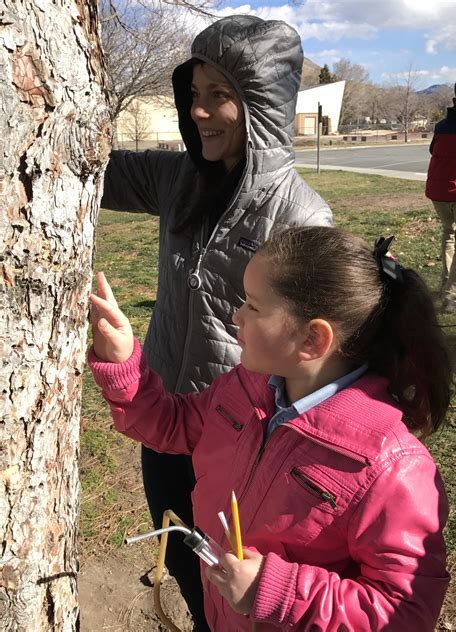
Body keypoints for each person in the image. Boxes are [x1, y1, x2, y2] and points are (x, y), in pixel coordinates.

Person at [88, 226, 452, 631]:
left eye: (253, 306)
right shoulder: (246, 388)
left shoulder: (388, 467)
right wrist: (122, 362)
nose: (236, 315)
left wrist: (272, 590)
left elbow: (405, 612)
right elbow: (172, 424)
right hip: (221, 614)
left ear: (312, 339)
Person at [100, 15, 332, 628]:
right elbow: (94, 168)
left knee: (229, 584)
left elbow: (315, 361)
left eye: (219, 96)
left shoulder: (301, 217)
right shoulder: (181, 177)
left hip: (236, 440)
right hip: (162, 417)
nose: (200, 113)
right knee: (180, 556)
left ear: (260, 107)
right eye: (194, 95)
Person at [426, 71, 456, 313]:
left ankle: (446, 284)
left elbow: (433, 151)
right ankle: (453, 297)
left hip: (439, 191)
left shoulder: (442, 126)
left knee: (448, 233)